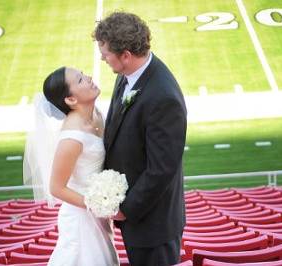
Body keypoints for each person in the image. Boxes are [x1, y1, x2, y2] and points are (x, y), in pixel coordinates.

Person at [94, 12, 187, 266]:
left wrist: (126, 209)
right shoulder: (126, 74)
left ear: (126, 54)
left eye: (106, 54)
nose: (102, 58)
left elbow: (162, 169)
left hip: (154, 225)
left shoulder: (163, 97)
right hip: (137, 217)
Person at [23, 66, 119, 266]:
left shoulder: (96, 114)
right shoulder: (71, 138)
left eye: (83, 74)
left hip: (98, 216)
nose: (89, 77)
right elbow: (56, 188)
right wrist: (100, 205)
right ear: (71, 100)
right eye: (80, 79)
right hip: (81, 221)